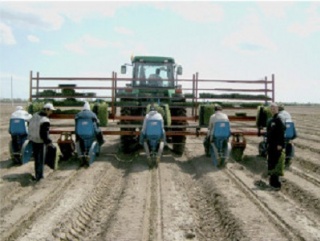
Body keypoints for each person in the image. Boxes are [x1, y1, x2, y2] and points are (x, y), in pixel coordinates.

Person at [28, 103, 56, 182]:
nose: (51, 112)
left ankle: (38, 174)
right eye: (51, 111)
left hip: (33, 139)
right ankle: (39, 177)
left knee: (37, 158)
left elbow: (29, 124)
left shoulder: (35, 115)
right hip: (40, 141)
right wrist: (49, 142)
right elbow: (44, 134)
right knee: (40, 158)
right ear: (46, 110)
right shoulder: (45, 121)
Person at [266, 102, 286, 189]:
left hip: (276, 145)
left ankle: (276, 183)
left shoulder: (278, 119)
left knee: (276, 162)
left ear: (277, 109)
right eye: (271, 108)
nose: (273, 109)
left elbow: (281, 132)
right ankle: (272, 181)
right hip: (271, 144)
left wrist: (280, 144)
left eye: (274, 108)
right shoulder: (272, 119)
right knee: (271, 162)